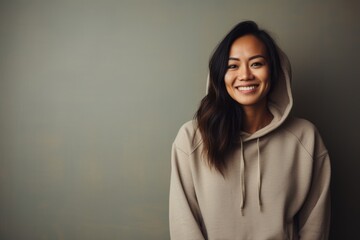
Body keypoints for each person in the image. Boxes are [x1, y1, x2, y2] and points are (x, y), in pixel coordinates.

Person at [169, 21, 331, 240]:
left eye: (256, 64)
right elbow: (183, 224)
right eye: (233, 66)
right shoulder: (191, 139)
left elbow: (315, 225)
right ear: (219, 75)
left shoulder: (306, 138)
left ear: (274, 71)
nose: (245, 75)